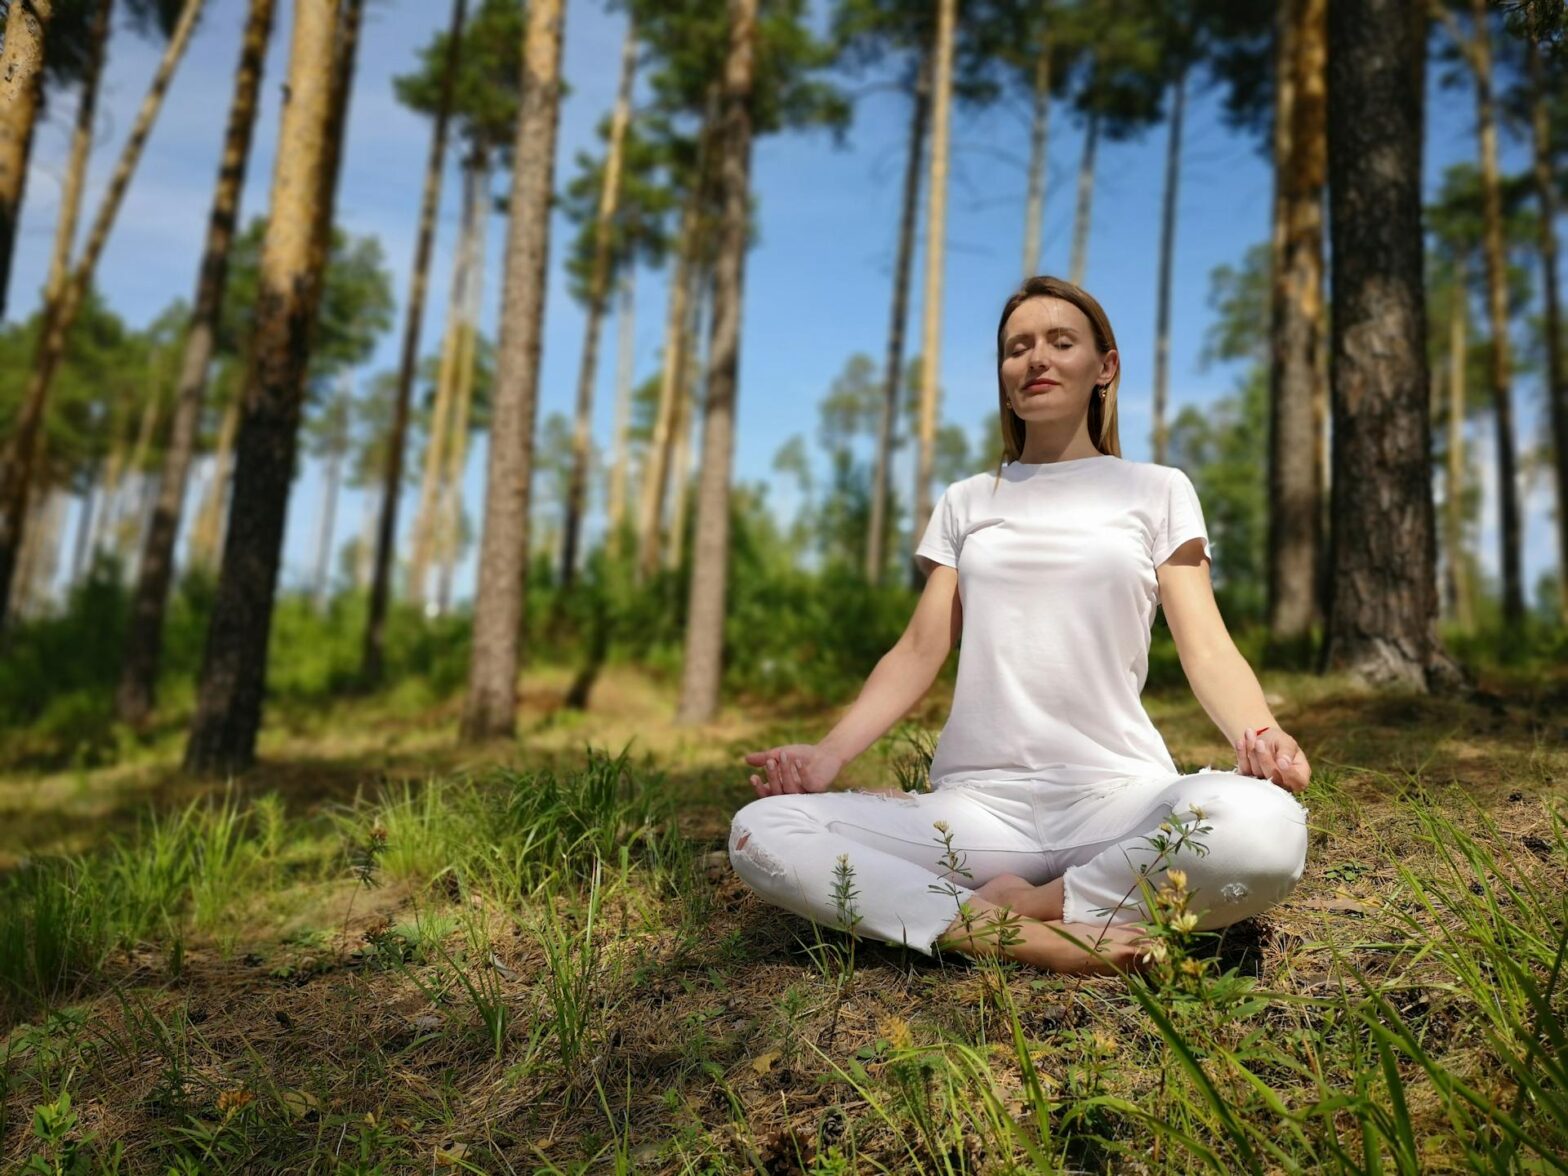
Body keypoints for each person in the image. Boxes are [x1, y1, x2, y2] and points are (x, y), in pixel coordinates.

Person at [728, 275, 1310, 974]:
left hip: (1115, 797)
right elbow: (918, 649)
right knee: (760, 832)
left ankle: (1037, 904)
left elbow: (1207, 646)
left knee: (1266, 828)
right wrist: (829, 753)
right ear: (1005, 381)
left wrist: (1262, 732)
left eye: (1061, 341)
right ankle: (995, 932)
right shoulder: (969, 500)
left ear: (1105, 367)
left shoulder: (1157, 490)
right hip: (975, 813)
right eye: (1017, 349)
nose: (1036, 359)